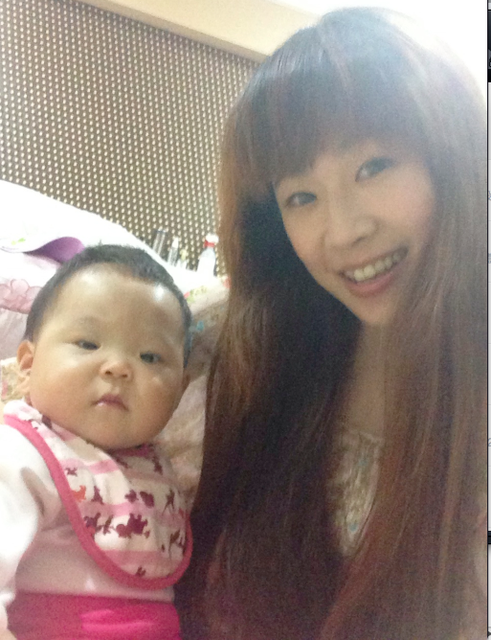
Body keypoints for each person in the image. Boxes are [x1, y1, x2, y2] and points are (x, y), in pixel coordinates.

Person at [177, 8, 486, 640]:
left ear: (451, 156)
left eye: (373, 166)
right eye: (301, 197)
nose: (343, 232)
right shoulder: (233, 350)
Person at [0, 244, 193, 640]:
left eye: (150, 357)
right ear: (28, 364)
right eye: (88, 344)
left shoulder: (160, 471)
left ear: (180, 391)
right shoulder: (20, 452)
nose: (118, 367)